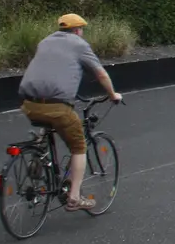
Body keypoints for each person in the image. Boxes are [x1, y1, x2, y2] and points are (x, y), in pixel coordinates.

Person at [18, 13, 123, 211]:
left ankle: (38, 153)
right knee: (78, 145)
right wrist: (112, 94)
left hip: (28, 103)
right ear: (77, 31)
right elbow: (100, 73)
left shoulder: (45, 42)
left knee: (49, 121)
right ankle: (74, 197)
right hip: (57, 105)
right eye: (81, 30)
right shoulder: (79, 44)